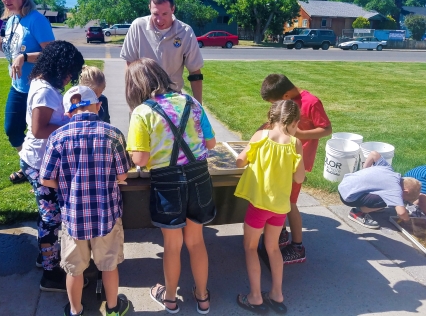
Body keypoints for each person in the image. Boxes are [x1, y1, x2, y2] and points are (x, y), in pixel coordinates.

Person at [125, 58, 216, 314]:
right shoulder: (191, 102)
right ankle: (203, 297)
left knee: (172, 246)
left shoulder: (142, 112)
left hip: (167, 181)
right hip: (199, 177)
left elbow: (140, 159)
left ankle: (171, 299)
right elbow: (211, 144)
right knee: (197, 242)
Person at [40, 85, 130, 316]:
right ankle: (113, 308)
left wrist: (71, 186)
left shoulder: (57, 137)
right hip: (106, 215)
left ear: (69, 113)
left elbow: (46, 179)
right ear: (98, 106)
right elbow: (122, 176)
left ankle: (75, 310)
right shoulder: (113, 134)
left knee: (74, 269)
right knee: (109, 266)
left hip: (73, 217)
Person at [19, 40, 85, 291]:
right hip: (40, 163)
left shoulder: (41, 83)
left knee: (46, 214)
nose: (70, 78)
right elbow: (38, 129)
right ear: (58, 66)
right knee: (51, 218)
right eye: (69, 72)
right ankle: (50, 273)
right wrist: (71, 127)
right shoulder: (45, 91)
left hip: (38, 160)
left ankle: (44, 254)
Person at [235, 100, 305, 314]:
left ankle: (255, 297)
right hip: (280, 207)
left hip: (259, 204)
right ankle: (277, 294)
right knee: (273, 248)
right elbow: (300, 176)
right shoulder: (295, 143)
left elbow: (240, 161)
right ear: (293, 122)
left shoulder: (261, 136)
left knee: (250, 247)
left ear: (272, 117)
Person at [0, 0, 55, 184]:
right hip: (18, 87)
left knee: (38, 132)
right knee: (12, 129)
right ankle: (29, 166)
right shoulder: (12, 20)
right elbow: (10, 51)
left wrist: (23, 57)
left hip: (37, 88)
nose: (6, 0)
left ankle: (44, 167)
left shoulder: (37, 20)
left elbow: (52, 54)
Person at [260, 74, 331, 264]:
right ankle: (281, 231)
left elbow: (326, 129)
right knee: (279, 198)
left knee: (289, 203)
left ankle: (297, 246)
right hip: (281, 158)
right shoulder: (286, 102)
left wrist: (300, 134)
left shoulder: (311, 102)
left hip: (297, 162)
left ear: (284, 96)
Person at [120, 0, 205, 103]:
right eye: (155, 14)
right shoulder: (138, 26)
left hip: (172, 99)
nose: (159, 20)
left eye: (165, 14)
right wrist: (132, 102)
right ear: (149, 8)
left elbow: (195, 72)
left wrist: (198, 108)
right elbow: (129, 66)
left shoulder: (185, 32)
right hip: (143, 98)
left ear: (173, 9)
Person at [338, 151, 421, 228]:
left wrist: (365, 170)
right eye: (404, 199)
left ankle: (368, 206)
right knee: (386, 201)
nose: (402, 200)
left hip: (344, 185)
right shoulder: (395, 189)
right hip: (349, 198)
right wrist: (408, 221)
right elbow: (401, 213)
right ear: (405, 191)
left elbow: (374, 154)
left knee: (386, 196)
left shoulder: (388, 169)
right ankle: (358, 212)